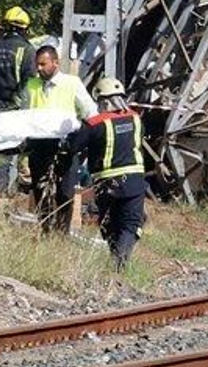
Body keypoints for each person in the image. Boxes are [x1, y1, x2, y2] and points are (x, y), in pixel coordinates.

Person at [61, 78, 147, 267]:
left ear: (101, 100)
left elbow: (72, 146)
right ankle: (119, 262)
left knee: (109, 222)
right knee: (131, 223)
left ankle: (115, 260)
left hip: (106, 183)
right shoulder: (136, 118)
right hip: (134, 180)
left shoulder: (95, 124)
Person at [20, 45, 96, 231]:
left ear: (56, 63)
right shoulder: (32, 85)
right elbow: (24, 114)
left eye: (43, 64)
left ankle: (62, 232)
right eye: (37, 64)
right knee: (40, 189)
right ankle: (45, 228)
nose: (39, 68)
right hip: (39, 145)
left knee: (65, 191)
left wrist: (84, 139)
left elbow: (90, 112)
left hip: (65, 145)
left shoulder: (72, 83)